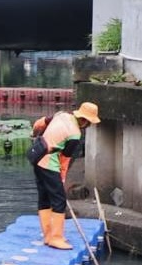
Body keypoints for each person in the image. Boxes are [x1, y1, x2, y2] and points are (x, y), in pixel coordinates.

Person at [31, 101, 99, 250]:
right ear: (84, 120)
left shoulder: (61, 115)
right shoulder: (75, 134)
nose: (89, 126)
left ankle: (48, 235)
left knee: (44, 198)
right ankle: (56, 238)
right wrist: (62, 178)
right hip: (50, 164)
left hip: (37, 158)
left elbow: (40, 123)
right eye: (90, 123)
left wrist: (34, 134)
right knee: (59, 200)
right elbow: (65, 159)